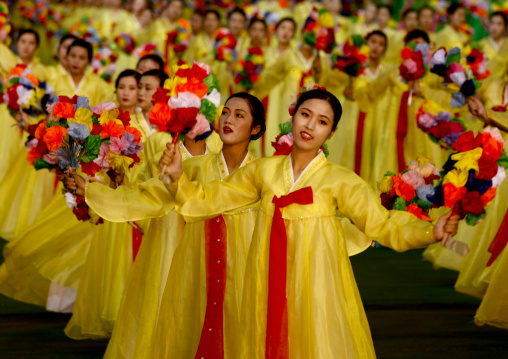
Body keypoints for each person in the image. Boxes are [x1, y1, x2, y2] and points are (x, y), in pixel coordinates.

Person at [158, 88, 459, 357]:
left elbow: (381, 225)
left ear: (331, 132)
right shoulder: (263, 171)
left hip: (316, 282)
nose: (310, 125)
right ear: (293, 117)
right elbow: (210, 199)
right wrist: (177, 176)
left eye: (322, 121)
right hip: (262, 279)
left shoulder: (341, 180)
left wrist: (430, 231)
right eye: (305, 115)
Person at [50, 39, 113, 106]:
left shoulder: (99, 85)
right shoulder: (55, 83)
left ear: (89, 61)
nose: (76, 61)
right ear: (67, 57)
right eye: (73, 56)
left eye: (82, 58)